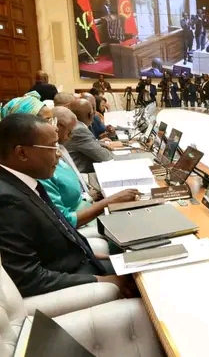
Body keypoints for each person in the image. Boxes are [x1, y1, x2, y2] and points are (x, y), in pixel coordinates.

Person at [0, 114, 133, 297]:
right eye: (52, 147)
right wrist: (106, 281)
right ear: (22, 153)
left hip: (82, 265)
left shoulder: (24, 182)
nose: (59, 153)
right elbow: (28, 279)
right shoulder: (7, 201)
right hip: (74, 283)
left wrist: (95, 257)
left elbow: (55, 239)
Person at [40, 107, 140, 229]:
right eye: (48, 121)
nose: (68, 138)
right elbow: (64, 221)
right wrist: (109, 200)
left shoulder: (57, 149)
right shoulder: (42, 170)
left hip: (85, 204)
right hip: (77, 225)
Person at [65, 99, 114, 173]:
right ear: (91, 115)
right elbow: (105, 157)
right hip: (82, 173)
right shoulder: (80, 130)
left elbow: (86, 143)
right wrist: (110, 151)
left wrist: (100, 143)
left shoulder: (74, 125)